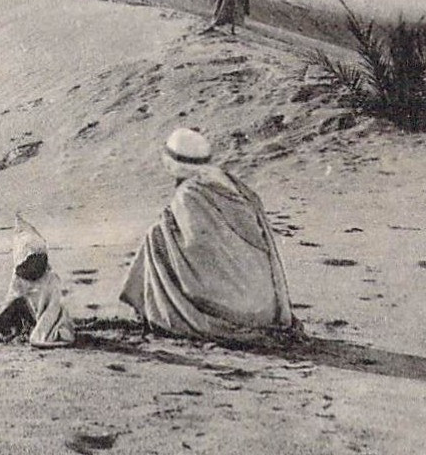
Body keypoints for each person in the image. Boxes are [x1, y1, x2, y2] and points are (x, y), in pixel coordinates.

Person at [119, 128, 299, 346]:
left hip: (235, 310)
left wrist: (165, 226)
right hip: (266, 307)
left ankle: (158, 312)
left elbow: (197, 246)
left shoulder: (189, 193)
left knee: (156, 237)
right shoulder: (230, 182)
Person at [0, 217, 73, 348]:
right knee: (10, 308)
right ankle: (14, 331)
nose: (36, 265)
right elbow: (13, 297)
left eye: (40, 259)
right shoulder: (19, 278)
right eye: (31, 261)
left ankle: (31, 330)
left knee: (52, 326)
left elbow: (54, 308)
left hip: (44, 318)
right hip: (29, 315)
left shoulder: (50, 278)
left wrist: (43, 330)